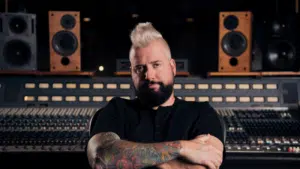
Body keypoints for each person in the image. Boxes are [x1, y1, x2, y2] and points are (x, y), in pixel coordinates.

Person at [87, 22, 225, 169]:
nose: (149, 75)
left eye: (156, 65)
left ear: (172, 67)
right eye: (140, 68)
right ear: (132, 72)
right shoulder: (116, 109)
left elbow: (208, 162)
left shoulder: (202, 112)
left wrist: (137, 162)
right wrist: (182, 148)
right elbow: (102, 156)